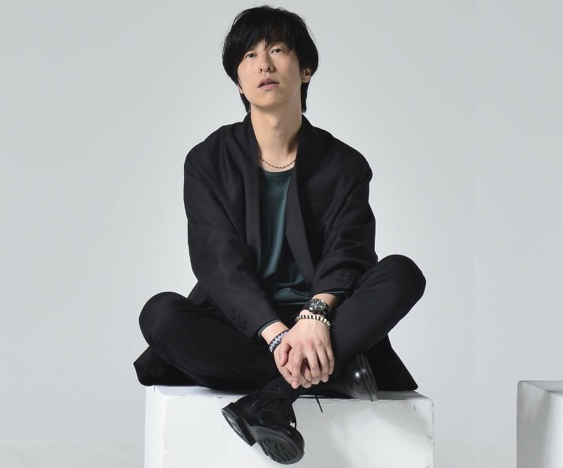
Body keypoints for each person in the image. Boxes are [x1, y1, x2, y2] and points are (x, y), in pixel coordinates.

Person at [134, 5, 426, 465]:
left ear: (305, 69)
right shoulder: (207, 160)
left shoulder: (345, 164)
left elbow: (349, 252)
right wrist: (276, 336)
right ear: (238, 81)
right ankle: (330, 372)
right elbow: (218, 263)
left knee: (402, 273)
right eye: (249, 55)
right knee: (161, 315)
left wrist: (315, 317)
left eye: (277, 50)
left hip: (327, 323)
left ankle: (272, 397)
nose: (263, 64)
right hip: (245, 326)